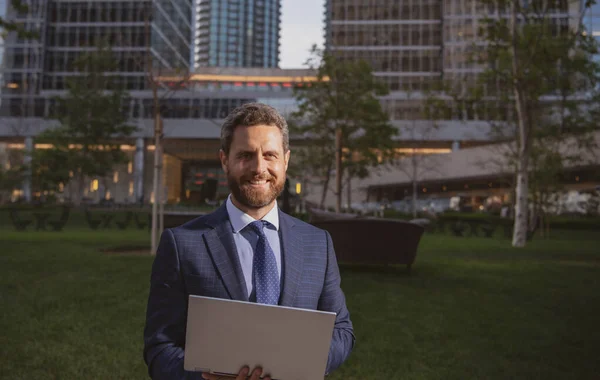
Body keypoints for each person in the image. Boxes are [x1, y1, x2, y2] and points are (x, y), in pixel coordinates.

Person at [143, 103, 355, 380]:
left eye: (270, 155)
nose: (259, 168)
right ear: (224, 160)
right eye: (245, 155)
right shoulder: (182, 245)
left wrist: (302, 364)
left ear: (286, 161)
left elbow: (342, 330)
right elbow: (159, 348)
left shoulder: (318, 244)